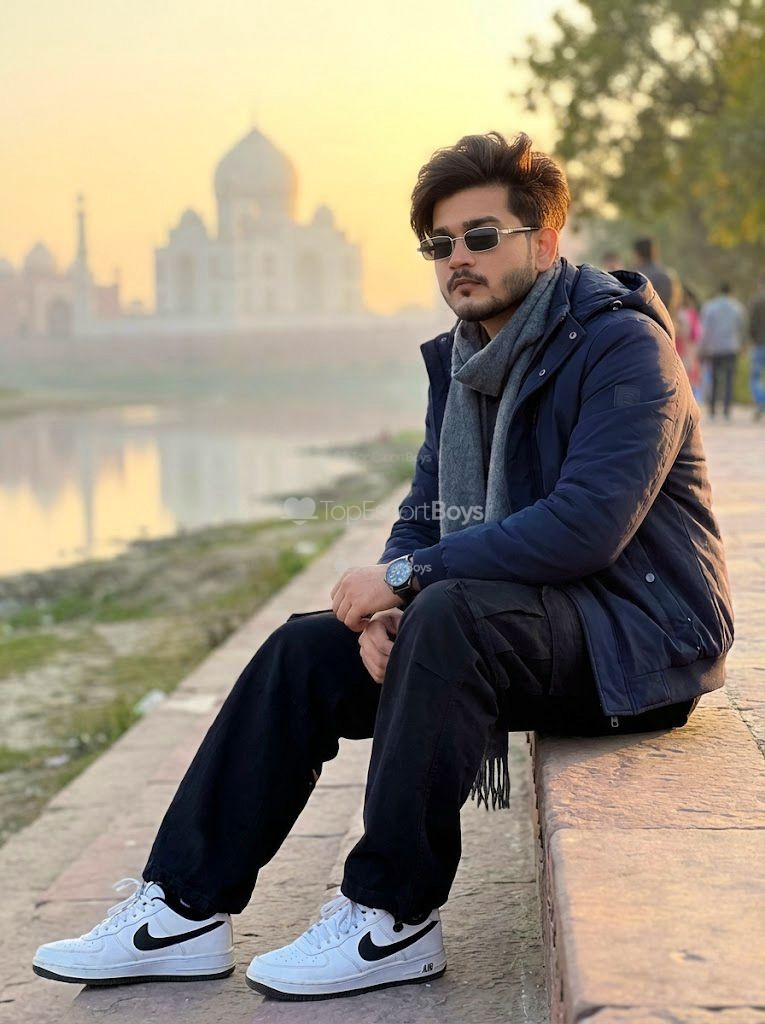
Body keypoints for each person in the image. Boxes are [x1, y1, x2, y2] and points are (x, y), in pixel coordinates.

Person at [33, 132, 734, 1001]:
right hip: (519, 624)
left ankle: (391, 914)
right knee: (304, 649)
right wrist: (387, 603)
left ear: (544, 242)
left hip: (636, 638)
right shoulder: (464, 359)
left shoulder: (623, 347)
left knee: (447, 615)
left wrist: (409, 582)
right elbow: (425, 509)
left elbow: (586, 526)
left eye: (481, 236)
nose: (458, 258)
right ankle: (181, 907)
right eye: (440, 244)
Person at [700, 283, 747, 420]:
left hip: (715, 348)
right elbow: (741, 328)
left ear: (719, 291)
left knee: (714, 378)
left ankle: (713, 410)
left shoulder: (710, 307)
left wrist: (704, 347)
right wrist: (742, 345)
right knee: (729, 379)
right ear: (731, 292)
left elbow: (706, 329)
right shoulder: (738, 307)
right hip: (731, 347)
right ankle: (726, 410)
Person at [632, 237, 682, 319]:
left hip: (644, 323)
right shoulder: (669, 274)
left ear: (637, 254)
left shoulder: (636, 276)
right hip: (669, 321)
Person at [675, 284, 703, 399]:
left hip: (678, 348)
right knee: (688, 377)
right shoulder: (691, 313)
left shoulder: (674, 312)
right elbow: (696, 334)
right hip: (688, 348)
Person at [748, 278, 765, 421]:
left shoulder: (756, 301)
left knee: (755, 377)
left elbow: (751, 324)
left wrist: (751, 339)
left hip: (759, 344)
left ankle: (761, 402)